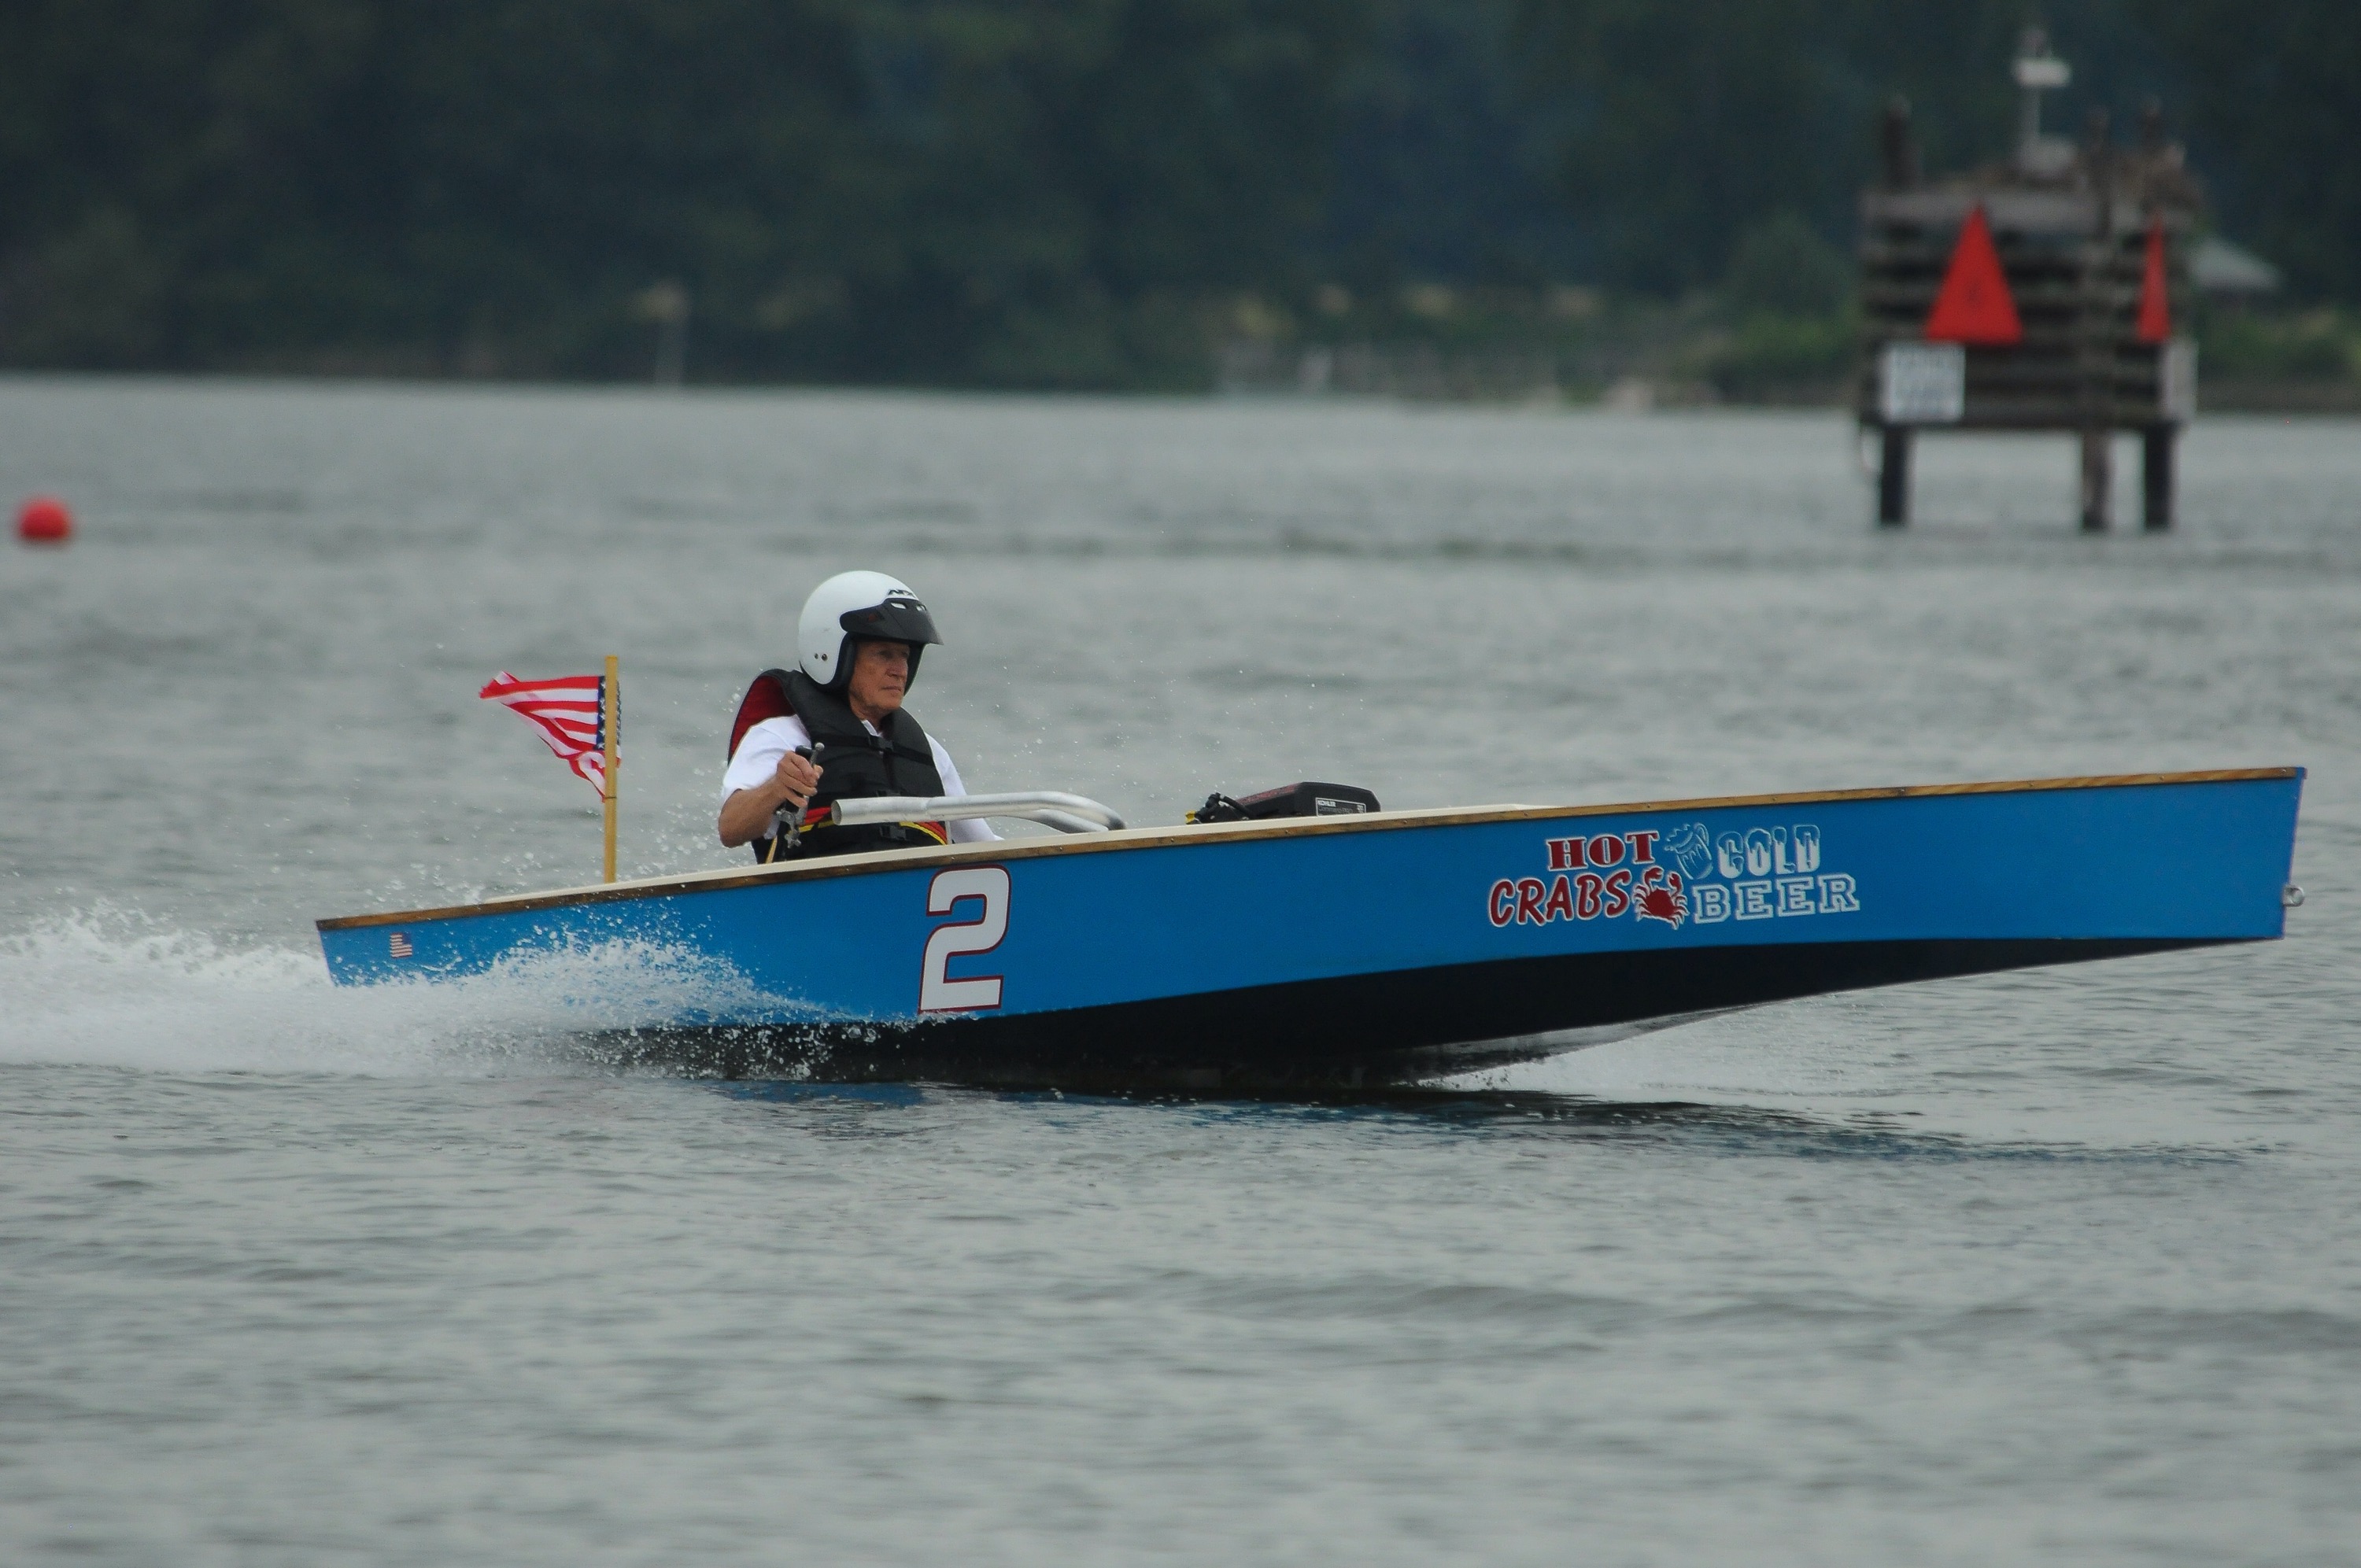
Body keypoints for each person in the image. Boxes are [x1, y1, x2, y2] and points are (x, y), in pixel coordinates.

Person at [717, 571, 998, 861]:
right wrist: (777, 787)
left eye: (904, 656)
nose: (899, 671)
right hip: (817, 887)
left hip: (911, 888)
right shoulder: (781, 736)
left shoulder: (929, 752)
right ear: (832, 654)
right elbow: (730, 829)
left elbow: (985, 847)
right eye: (883, 654)